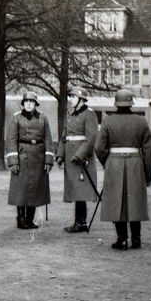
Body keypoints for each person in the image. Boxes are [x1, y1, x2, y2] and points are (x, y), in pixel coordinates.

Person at [95, 89, 151, 250]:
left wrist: (107, 161)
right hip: (135, 163)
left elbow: (99, 147)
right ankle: (136, 239)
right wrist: (148, 174)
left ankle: (121, 239)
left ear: (116, 103)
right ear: (131, 103)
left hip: (114, 163)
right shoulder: (141, 122)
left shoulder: (108, 121)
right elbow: (148, 151)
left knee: (116, 201)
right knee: (135, 201)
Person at [5, 91, 54, 229]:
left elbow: (48, 139)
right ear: (23, 103)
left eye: (31, 102)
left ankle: (29, 219)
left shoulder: (43, 118)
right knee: (21, 189)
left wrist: (48, 160)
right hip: (21, 156)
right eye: (26, 101)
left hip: (38, 157)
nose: (28, 104)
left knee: (35, 188)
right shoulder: (16, 118)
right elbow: (11, 140)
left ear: (35, 104)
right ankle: (20, 219)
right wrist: (13, 161)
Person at [55, 86, 99, 233]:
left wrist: (79, 155)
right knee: (75, 189)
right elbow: (64, 136)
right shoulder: (71, 115)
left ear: (81, 99)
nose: (70, 99)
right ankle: (79, 221)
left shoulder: (89, 114)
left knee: (81, 190)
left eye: (73, 97)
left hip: (81, 158)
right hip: (70, 156)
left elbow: (91, 137)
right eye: (70, 96)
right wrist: (60, 155)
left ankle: (81, 222)